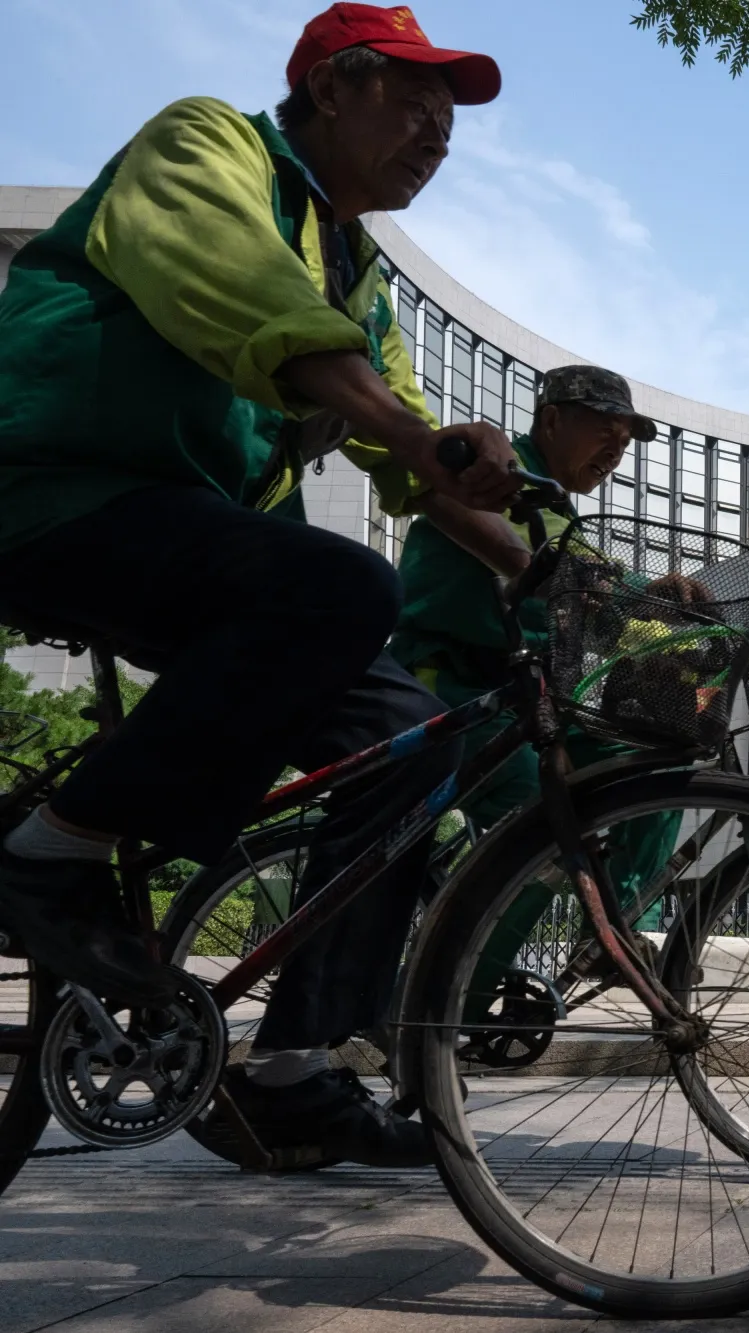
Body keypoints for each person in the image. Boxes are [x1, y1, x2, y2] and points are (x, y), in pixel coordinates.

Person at [0, 4, 519, 1167]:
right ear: (330, 89)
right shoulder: (203, 147)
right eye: (415, 96)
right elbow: (240, 294)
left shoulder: (358, 272)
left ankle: (290, 1067)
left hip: (190, 538)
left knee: (420, 740)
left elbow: (412, 454)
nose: (440, 130)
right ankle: (54, 848)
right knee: (342, 589)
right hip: (53, 494)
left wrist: (546, 572)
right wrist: (403, 428)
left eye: (454, 114)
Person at [391, 367, 679, 994]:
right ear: (551, 419)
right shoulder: (499, 474)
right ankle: (452, 997)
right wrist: (613, 590)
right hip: (451, 679)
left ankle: (619, 925)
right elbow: (541, 562)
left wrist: (662, 608)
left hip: (526, 698)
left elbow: (589, 580)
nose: (616, 450)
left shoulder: (553, 500)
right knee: (541, 823)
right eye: (605, 429)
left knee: (648, 766)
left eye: (626, 440)